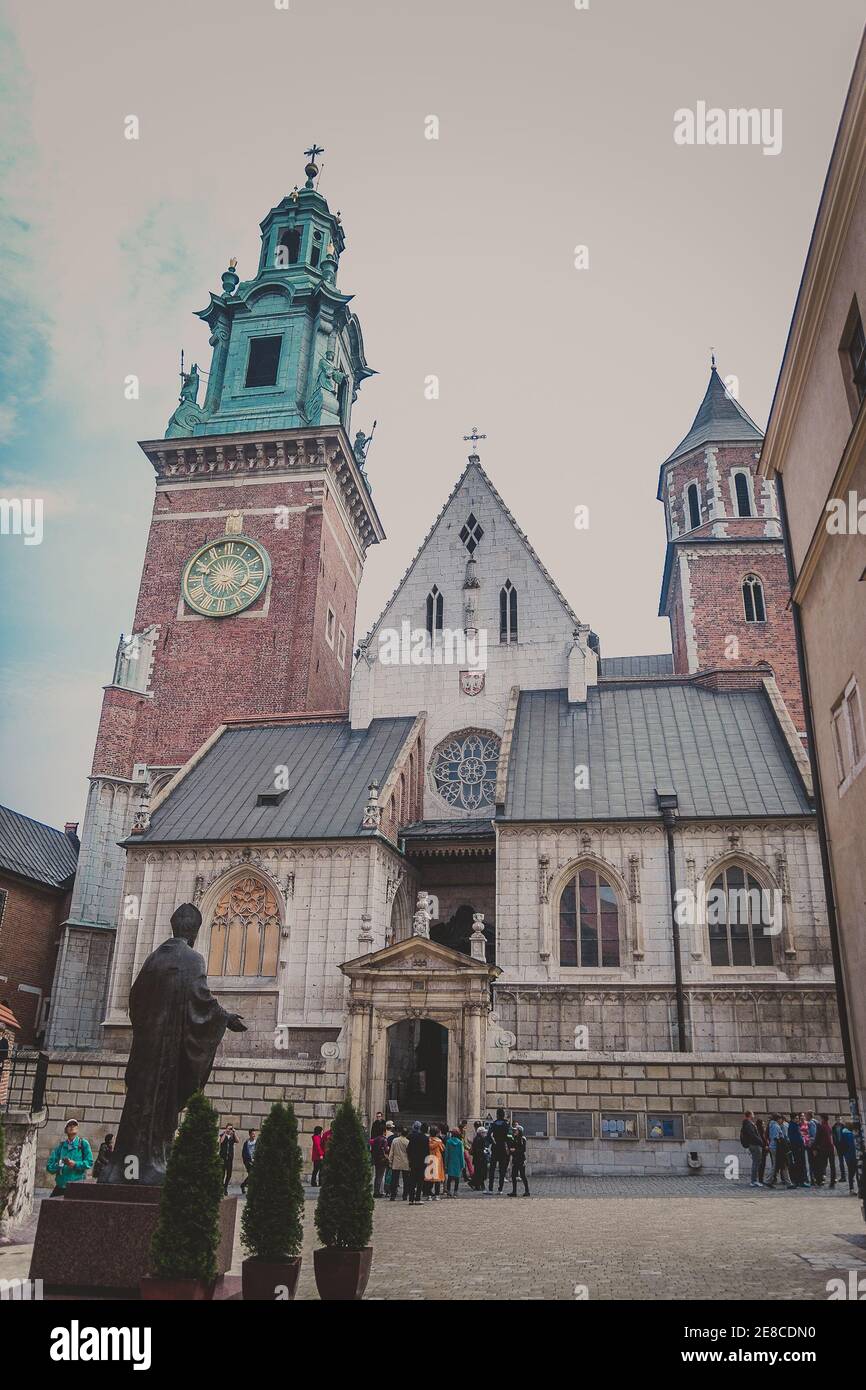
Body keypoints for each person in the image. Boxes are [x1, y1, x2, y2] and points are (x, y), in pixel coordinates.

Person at [47, 1119, 94, 1195]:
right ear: (65, 1130)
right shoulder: (61, 1146)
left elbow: (89, 1162)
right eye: (69, 1125)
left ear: (77, 1129)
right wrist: (59, 1165)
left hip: (77, 1186)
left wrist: (75, 1164)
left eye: (74, 1125)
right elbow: (49, 1167)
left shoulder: (83, 1143)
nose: (72, 1126)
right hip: (61, 1185)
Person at [765, 1114, 794, 1188]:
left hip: (775, 1147)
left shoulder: (772, 1125)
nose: (782, 1121)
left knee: (778, 1165)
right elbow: (776, 1138)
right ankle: (788, 1183)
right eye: (781, 1119)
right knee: (782, 1165)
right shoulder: (776, 1126)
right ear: (778, 1119)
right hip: (777, 1148)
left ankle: (770, 1181)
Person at [487, 1108, 511, 1194]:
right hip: (503, 1148)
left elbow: (489, 1135)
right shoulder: (506, 1124)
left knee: (492, 1169)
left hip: (495, 1146)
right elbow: (509, 1136)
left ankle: (490, 1189)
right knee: (502, 1169)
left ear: (497, 1114)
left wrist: (492, 1142)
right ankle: (500, 1189)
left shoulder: (493, 1124)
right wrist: (508, 1146)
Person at [407, 1120, 429, 1206]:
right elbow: (427, 1152)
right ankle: (417, 1198)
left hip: (413, 1161)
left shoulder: (412, 1136)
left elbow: (408, 1149)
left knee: (412, 1180)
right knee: (420, 1181)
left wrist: (410, 1158)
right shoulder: (425, 1138)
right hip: (422, 1162)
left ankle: (411, 1199)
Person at [740, 1110, 763, 1188]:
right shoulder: (748, 1124)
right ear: (750, 1115)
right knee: (756, 1163)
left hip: (753, 1144)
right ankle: (754, 1181)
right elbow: (752, 1135)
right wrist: (761, 1142)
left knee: (756, 1162)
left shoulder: (748, 1123)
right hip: (754, 1145)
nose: (754, 1115)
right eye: (753, 1114)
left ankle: (754, 1180)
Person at [507, 1123, 530, 1197]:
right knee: (513, 1175)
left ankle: (527, 1191)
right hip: (515, 1159)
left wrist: (515, 1150)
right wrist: (510, 1150)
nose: (514, 1131)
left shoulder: (522, 1138)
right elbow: (512, 1146)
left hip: (521, 1159)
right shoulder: (515, 1137)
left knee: (523, 1175)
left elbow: (523, 1149)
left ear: (519, 1131)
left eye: (516, 1130)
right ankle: (514, 1192)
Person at [812, 1114, 834, 1188]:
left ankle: (819, 1181)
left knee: (821, 1165)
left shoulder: (821, 1127)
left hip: (824, 1149)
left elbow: (817, 1138)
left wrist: (814, 1148)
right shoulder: (829, 1127)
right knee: (832, 1166)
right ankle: (832, 1181)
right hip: (831, 1148)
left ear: (823, 1119)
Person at [388, 1126, 410, 1201]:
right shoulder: (407, 1142)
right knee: (406, 1180)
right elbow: (409, 1153)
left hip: (396, 1162)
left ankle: (393, 1195)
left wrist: (390, 1161)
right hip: (405, 1162)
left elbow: (391, 1152)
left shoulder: (395, 1140)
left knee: (394, 1180)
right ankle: (405, 1195)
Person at [787, 1113, 809, 1187]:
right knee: (798, 1164)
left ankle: (801, 1181)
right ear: (793, 1119)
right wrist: (799, 1145)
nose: (798, 1119)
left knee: (801, 1164)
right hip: (797, 1148)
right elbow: (794, 1138)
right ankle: (799, 1181)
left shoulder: (796, 1125)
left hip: (800, 1147)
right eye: (796, 1118)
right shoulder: (792, 1126)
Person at [836, 1120, 857, 1194]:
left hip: (848, 1155)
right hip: (852, 1156)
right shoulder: (849, 1135)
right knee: (855, 1172)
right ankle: (854, 1189)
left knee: (851, 1173)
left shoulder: (844, 1133)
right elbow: (852, 1146)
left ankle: (851, 1189)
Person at [427, 1124, 445, 1200]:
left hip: (429, 1159)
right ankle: (437, 1195)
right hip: (437, 1159)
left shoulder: (428, 1140)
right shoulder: (439, 1141)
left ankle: (429, 1195)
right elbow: (443, 1149)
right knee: (437, 1178)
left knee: (430, 1177)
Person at [445, 1129, 465, 1196]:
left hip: (450, 1161)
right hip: (458, 1162)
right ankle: (455, 1191)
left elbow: (446, 1154)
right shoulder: (460, 1143)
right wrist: (463, 1164)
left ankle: (448, 1191)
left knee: (449, 1178)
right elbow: (461, 1154)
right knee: (457, 1178)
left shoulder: (448, 1142)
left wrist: (446, 1163)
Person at [219, 1125, 238, 1195]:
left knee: (229, 1174)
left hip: (230, 1158)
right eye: (228, 1128)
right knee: (222, 1173)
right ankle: (221, 1187)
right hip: (223, 1157)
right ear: (226, 1128)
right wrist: (225, 1133)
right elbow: (221, 1141)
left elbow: (237, 1141)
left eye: (231, 1128)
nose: (229, 1130)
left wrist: (234, 1133)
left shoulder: (232, 1136)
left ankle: (225, 1187)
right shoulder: (222, 1135)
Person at [371, 1130, 389, 1197]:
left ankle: (375, 1191)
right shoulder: (384, 1140)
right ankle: (377, 1192)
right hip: (382, 1159)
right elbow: (386, 1150)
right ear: (384, 1132)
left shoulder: (375, 1139)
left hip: (376, 1159)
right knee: (380, 1176)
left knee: (377, 1175)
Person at [470, 1122, 488, 1191]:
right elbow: (477, 1149)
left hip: (479, 1158)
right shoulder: (479, 1139)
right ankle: (476, 1184)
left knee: (479, 1172)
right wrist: (483, 1151)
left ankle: (477, 1185)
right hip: (479, 1158)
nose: (484, 1134)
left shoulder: (479, 1138)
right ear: (480, 1133)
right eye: (483, 1132)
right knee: (480, 1172)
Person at [240, 1128, 257, 1194]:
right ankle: (249, 1188)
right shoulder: (246, 1143)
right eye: (252, 1134)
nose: (254, 1135)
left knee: (252, 1174)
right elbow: (244, 1153)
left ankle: (243, 1185)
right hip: (248, 1162)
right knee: (252, 1174)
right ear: (249, 1134)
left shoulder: (257, 1143)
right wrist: (248, 1161)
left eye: (254, 1134)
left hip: (255, 1161)